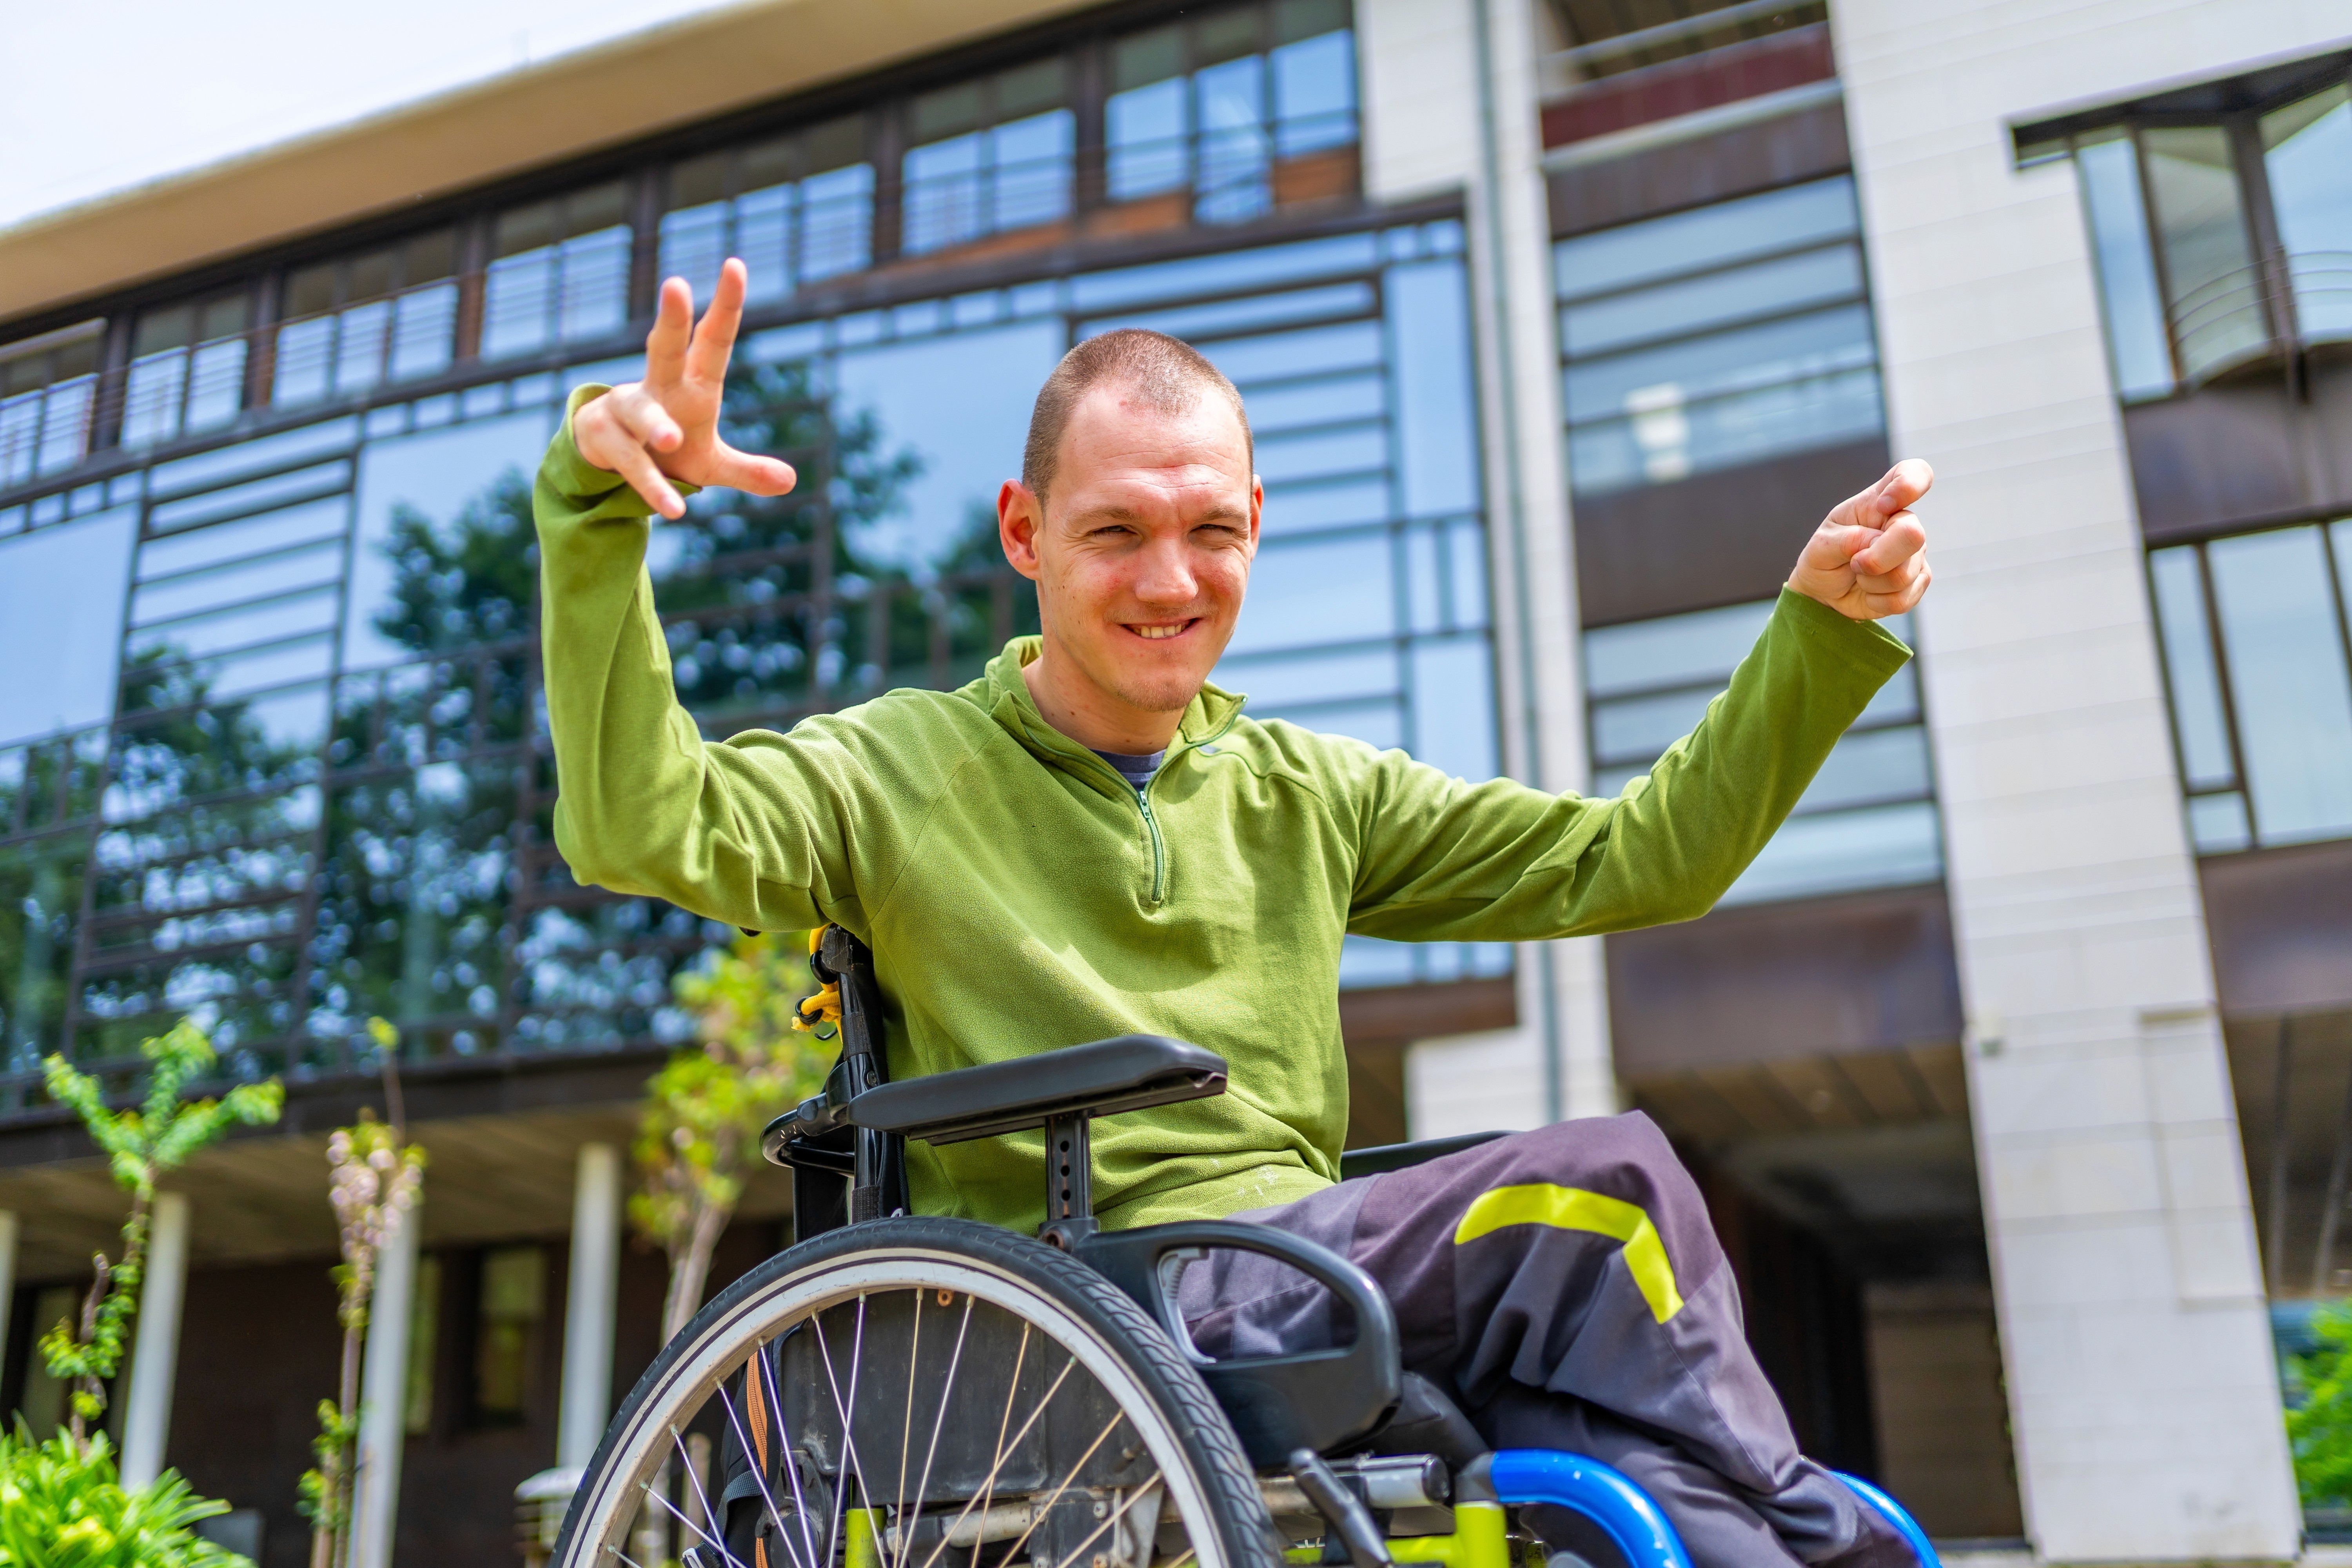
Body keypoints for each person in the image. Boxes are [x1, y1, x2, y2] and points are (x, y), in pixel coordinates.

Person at [535, 259, 1932, 1568]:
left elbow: (1639, 862)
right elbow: (639, 826)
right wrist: (599, 513)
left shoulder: (1307, 789)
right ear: (1024, 532)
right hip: (1085, 1300)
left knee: (1607, 1437)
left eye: (1211, 531)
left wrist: (1818, 633)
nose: (1170, 581)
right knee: (1603, 1194)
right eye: (1115, 532)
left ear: (1255, 523)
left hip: (1295, 1268)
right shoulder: (897, 770)